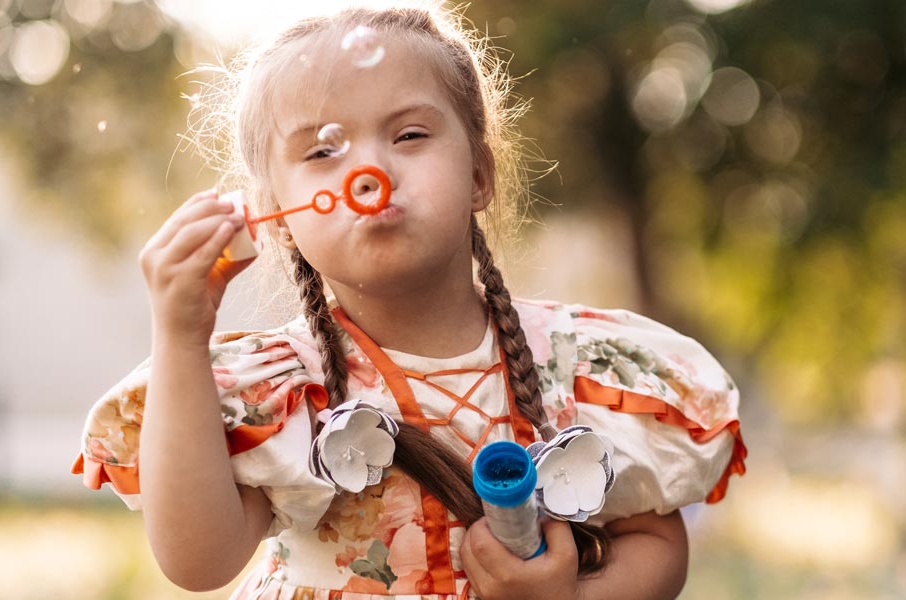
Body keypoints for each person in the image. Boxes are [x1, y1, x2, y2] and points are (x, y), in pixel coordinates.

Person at [72, 3, 746, 599]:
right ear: (275, 216)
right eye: (322, 150)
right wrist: (180, 335)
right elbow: (198, 562)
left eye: (410, 136)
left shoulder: (577, 366)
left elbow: (658, 546)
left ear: (479, 174)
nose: (372, 172)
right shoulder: (284, 392)